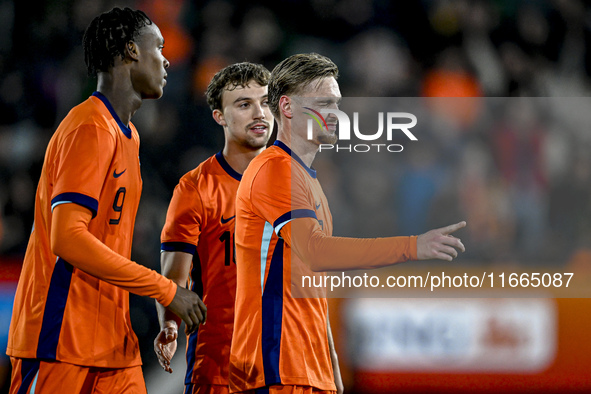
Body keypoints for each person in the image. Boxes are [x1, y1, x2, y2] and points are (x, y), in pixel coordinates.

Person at [229, 53, 467, 394]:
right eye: (324, 103)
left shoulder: (306, 179)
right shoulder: (275, 170)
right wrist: (413, 246)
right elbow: (317, 253)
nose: (336, 114)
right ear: (287, 107)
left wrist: (330, 366)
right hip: (275, 366)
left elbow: (310, 280)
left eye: (337, 103)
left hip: (303, 367)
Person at [6, 7, 206, 394]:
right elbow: (66, 239)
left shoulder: (127, 136)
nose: (166, 59)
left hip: (114, 347)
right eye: (158, 47)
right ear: (131, 51)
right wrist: (163, 289)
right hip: (60, 342)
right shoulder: (89, 127)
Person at [153, 62, 273, 394]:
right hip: (221, 366)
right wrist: (169, 328)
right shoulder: (196, 188)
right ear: (220, 116)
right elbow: (173, 280)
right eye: (244, 104)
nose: (259, 112)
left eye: (265, 102)